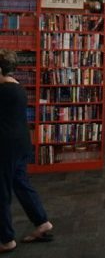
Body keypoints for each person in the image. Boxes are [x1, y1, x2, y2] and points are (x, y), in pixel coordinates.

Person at [0, 49, 54, 253]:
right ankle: (41, 222)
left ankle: (6, 239)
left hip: (5, 146)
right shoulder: (18, 88)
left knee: (2, 192)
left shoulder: (3, 90)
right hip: (21, 142)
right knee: (21, 183)